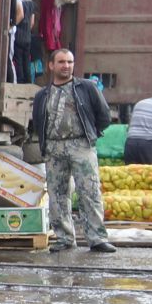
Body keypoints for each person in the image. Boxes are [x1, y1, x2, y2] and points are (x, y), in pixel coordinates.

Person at [30, 48, 117, 253]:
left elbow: (104, 115)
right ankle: (64, 238)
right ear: (51, 65)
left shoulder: (86, 87)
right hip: (53, 148)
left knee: (90, 191)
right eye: (61, 62)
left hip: (81, 146)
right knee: (57, 194)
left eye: (70, 62)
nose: (66, 66)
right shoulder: (42, 94)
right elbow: (37, 121)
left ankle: (97, 238)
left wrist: (91, 134)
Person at [9, 0, 35, 84]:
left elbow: (17, 16)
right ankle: (28, 82)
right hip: (27, 35)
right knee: (26, 60)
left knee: (18, 59)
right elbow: (32, 22)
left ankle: (20, 82)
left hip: (17, 34)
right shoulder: (30, 1)